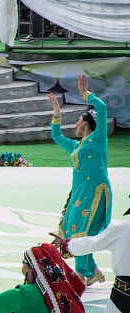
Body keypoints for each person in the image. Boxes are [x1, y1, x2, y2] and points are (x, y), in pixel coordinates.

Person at [47, 74, 111, 285]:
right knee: (73, 228)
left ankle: (82, 275)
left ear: (85, 121)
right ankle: (88, 271)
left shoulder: (98, 139)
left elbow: (101, 108)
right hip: (78, 192)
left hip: (95, 191)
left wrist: (86, 94)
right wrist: (56, 113)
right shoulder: (77, 146)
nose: (76, 122)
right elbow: (57, 137)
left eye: (78, 119)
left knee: (84, 230)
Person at [52, 214, 130, 313]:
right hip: (122, 296)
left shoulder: (122, 228)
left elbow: (91, 243)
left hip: (122, 298)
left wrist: (65, 244)